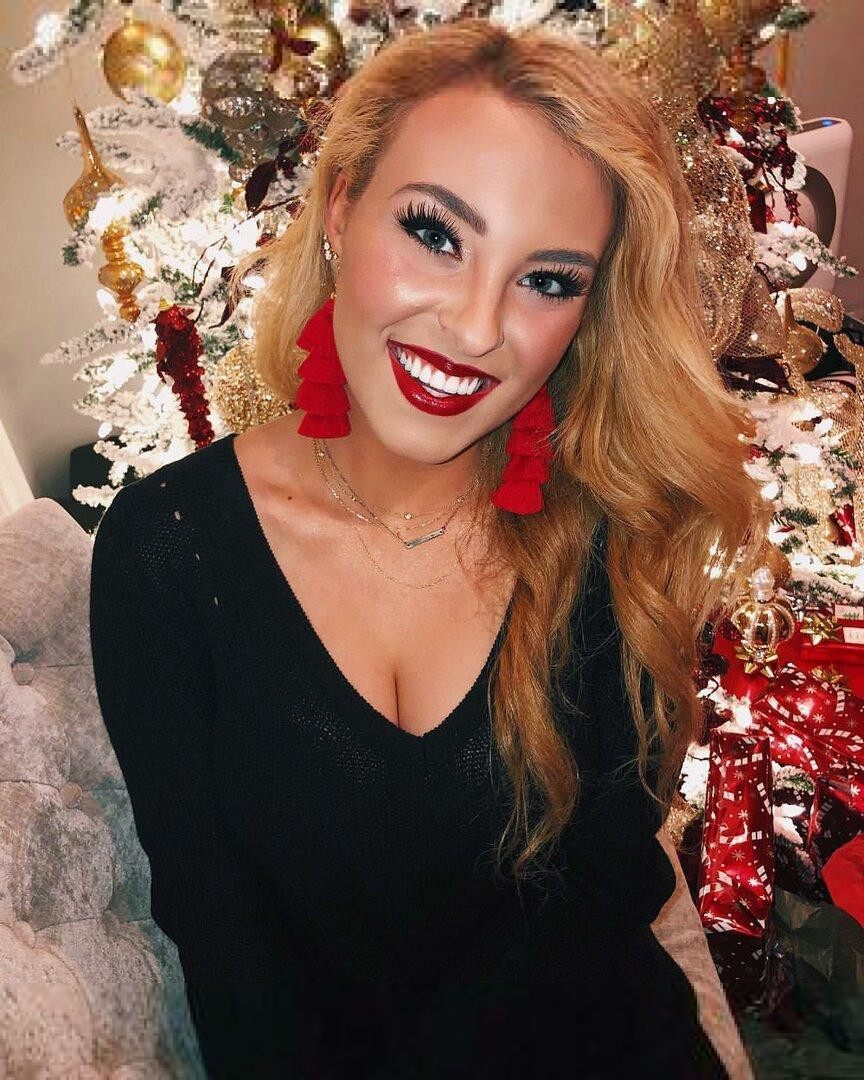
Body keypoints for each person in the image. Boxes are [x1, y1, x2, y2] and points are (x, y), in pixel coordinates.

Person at [89, 18, 769, 1079]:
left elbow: (600, 891)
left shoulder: (617, 530)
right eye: (436, 233)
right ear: (341, 208)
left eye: (548, 280)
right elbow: (221, 938)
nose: (476, 326)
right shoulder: (165, 551)